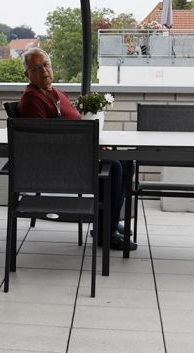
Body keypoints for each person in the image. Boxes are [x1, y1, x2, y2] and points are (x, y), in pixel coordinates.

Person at [17, 47, 137, 251]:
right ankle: (106, 234)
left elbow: (75, 123)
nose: (43, 70)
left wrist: (95, 144)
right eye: (36, 68)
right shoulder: (32, 98)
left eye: (45, 65)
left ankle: (107, 223)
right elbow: (42, 140)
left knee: (126, 163)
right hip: (61, 164)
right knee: (114, 167)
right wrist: (89, 147)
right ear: (27, 74)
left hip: (76, 154)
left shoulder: (55, 93)